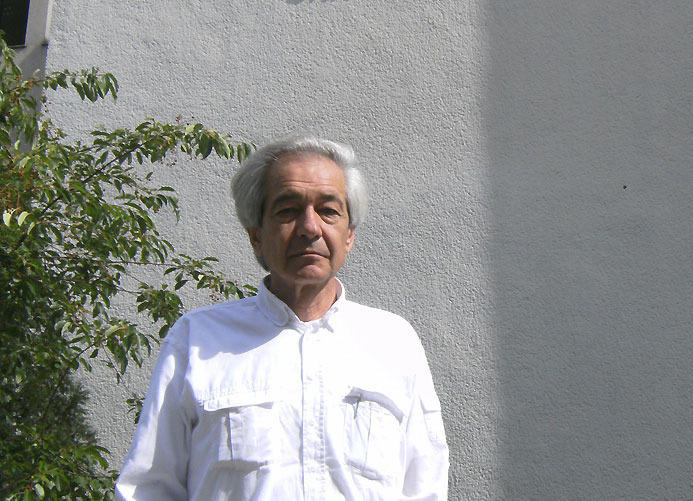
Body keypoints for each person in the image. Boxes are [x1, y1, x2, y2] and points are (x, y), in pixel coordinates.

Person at [116, 136, 449, 500]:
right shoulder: (198, 340)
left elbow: (425, 486)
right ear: (256, 236)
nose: (310, 227)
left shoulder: (392, 342)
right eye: (288, 210)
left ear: (349, 234)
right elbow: (148, 489)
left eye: (329, 210)